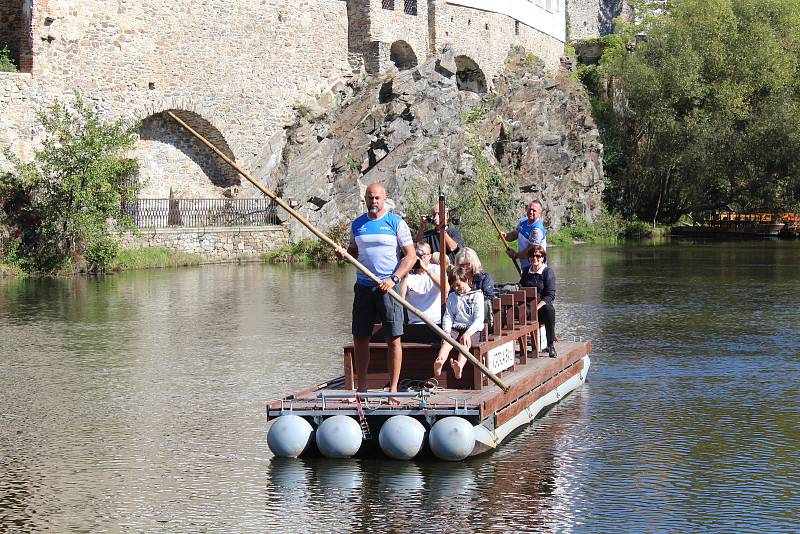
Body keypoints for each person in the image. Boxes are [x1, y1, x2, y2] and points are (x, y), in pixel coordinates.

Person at [334, 183, 416, 398]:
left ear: (384, 198)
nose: (374, 201)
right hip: (363, 287)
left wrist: (394, 279)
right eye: (370, 198)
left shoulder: (395, 223)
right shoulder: (358, 225)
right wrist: (343, 256)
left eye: (377, 197)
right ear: (365, 199)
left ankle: (393, 389)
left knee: (393, 337)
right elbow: (353, 252)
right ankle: (361, 387)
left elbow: (410, 256)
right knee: (360, 337)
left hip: (389, 286)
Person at [433, 266, 484, 380]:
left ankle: (459, 366)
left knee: (464, 343)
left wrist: (468, 333)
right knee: (447, 341)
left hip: (472, 329)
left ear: (466, 280)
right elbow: (448, 316)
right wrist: (446, 332)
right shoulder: (452, 296)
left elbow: (479, 319)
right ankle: (440, 360)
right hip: (456, 326)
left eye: (458, 285)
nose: (456, 288)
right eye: (454, 286)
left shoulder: (477, 295)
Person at [519, 245, 557, 358]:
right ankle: (520, 347)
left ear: (542, 258)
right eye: (531, 256)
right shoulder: (526, 271)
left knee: (549, 309)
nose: (534, 258)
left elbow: (550, 295)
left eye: (538, 256)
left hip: (541, 309)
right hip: (527, 308)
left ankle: (551, 345)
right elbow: (520, 287)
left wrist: (536, 307)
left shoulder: (548, 272)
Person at [401, 242, 448, 325]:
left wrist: (426, 269)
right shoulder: (408, 274)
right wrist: (405, 273)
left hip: (436, 321)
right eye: (418, 254)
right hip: (415, 322)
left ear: (430, 256)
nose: (421, 258)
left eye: (424, 255)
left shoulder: (437, 269)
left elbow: (446, 289)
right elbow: (401, 297)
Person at [454, 247, 495, 329]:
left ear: (474, 263)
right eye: (462, 265)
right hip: (460, 318)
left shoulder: (484, 278)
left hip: (480, 317)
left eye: (468, 264)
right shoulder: (455, 279)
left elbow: (489, 298)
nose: (465, 267)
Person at [501, 200, 547, 272]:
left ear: (539, 214)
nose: (531, 212)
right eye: (529, 209)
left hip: (536, 268)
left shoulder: (537, 230)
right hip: (525, 265)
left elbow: (530, 252)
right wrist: (505, 236)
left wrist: (515, 255)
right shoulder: (523, 221)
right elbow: (515, 234)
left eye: (534, 210)